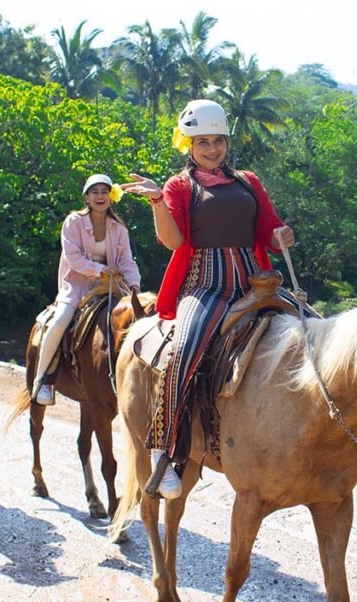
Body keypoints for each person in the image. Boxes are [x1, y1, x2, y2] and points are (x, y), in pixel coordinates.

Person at [122, 99, 297, 499]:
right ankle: (166, 451)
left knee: (313, 328)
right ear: (188, 144)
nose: (212, 149)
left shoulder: (249, 181)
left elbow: (269, 227)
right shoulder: (179, 187)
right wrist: (155, 201)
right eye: (203, 142)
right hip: (206, 283)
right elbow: (174, 241)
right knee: (183, 350)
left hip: (256, 280)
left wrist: (281, 236)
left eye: (218, 140)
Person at [30, 173, 142, 406]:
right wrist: (100, 269)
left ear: (112, 197)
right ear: (86, 197)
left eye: (104, 192)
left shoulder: (119, 228)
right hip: (77, 285)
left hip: (111, 287)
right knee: (61, 319)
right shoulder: (73, 222)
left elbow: (127, 261)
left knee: (137, 321)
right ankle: (43, 379)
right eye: (95, 192)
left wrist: (134, 287)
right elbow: (73, 258)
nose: (100, 196)